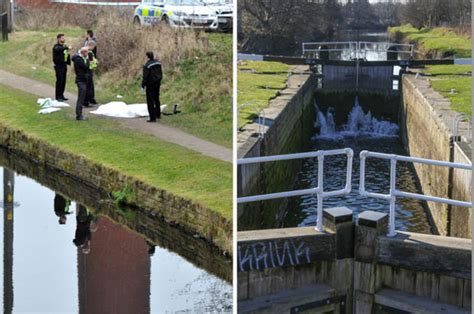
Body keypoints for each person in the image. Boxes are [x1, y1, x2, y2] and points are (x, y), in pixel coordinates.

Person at [141, 51, 163, 122]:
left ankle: (152, 117)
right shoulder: (158, 63)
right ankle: (158, 114)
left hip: (150, 84)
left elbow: (145, 76)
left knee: (150, 101)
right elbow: (160, 73)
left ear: (147, 57)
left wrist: (143, 85)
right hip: (157, 83)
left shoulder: (147, 65)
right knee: (156, 98)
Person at [72, 47, 90, 121]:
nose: (87, 54)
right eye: (87, 53)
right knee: (81, 98)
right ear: (83, 52)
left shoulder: (78, 59)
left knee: (81, 97)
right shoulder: (79, 60)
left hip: (81, 80)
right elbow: (86, 67)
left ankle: (79, 114)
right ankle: (79, 115)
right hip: (81, 80)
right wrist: (89, 61)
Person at [52, 34, 71, 102]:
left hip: (64, 65)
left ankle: (61, 95)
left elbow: (66, 54)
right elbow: (58, 49)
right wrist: (66, 48)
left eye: (64, 38)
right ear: (58, 39)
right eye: (62, 38)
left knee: (63, 81)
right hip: (58, 66)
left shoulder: (63, 47)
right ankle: (58, 96)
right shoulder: (56, 47)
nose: (63, 39)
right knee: (59, 81)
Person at [85, 41, 98, 106]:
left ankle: (90, 99)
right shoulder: (89, 52)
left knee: (90, 86)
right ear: (91, 45)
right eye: (93, 46)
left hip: (89, 71)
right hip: (88, 71)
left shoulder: (87, 51)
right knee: (89, 86)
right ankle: (88, 100)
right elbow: (90, 62)